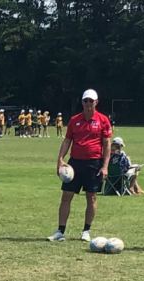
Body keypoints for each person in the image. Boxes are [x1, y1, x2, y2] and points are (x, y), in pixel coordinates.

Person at [48, 89, 112, 243]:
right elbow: (67, 141)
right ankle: (60, 231)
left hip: (94, 163)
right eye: (85, 101)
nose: (88, 103)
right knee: (66, 196)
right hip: (75, 163)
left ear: (96, 102)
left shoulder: (103, 120)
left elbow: (107, 145)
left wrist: (105, 166)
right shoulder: (74, 120)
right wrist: (60, 160)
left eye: (91, 101)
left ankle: (86, 230)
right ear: (82, 102)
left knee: (91, 197)